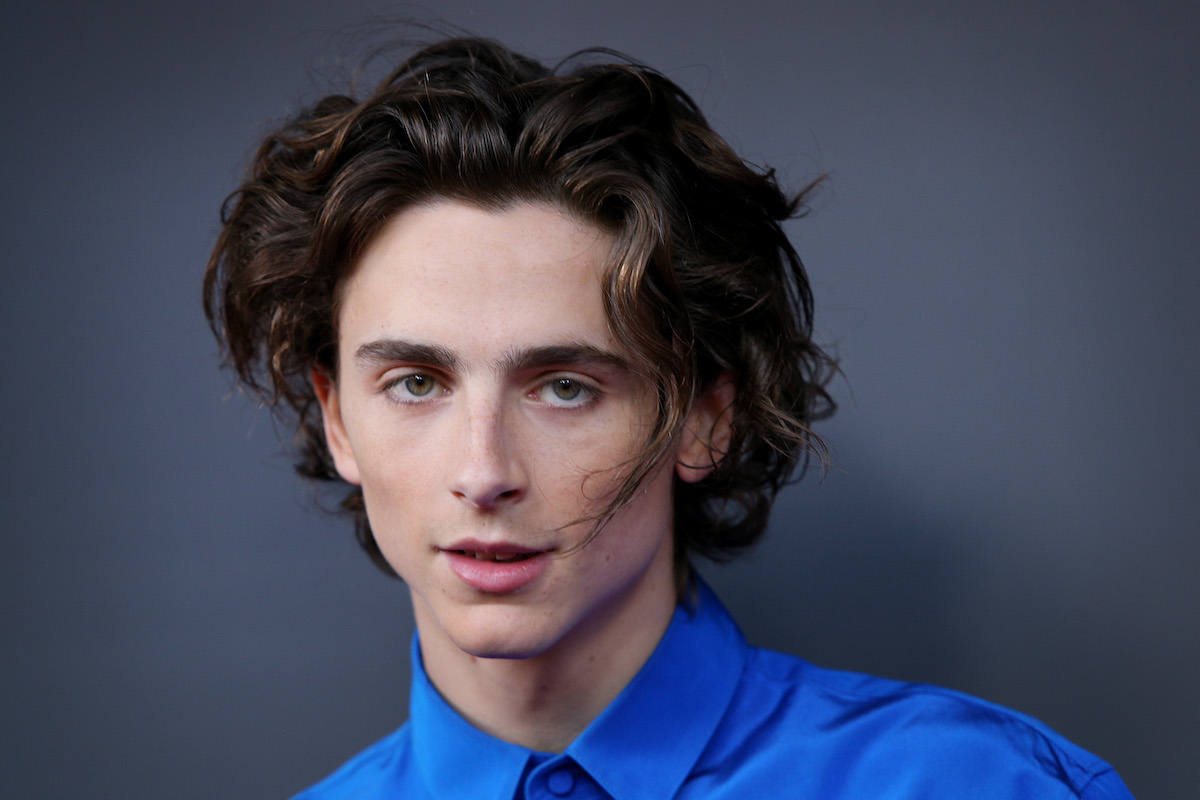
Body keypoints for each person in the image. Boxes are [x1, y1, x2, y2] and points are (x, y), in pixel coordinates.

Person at [205, 35, 1134, 800]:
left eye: (565, 387)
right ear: (336, 420)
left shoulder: (979, 786)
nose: (483, 473)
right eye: (415, 383)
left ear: (704, 420)